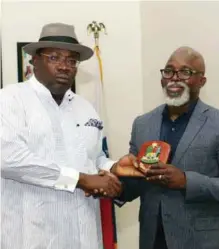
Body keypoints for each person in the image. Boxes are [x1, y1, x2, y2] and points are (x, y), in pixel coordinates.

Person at [0, 23, 141, 249]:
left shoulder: (86, 108)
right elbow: (10, 160)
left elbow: (93, 160)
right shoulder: (9, 100)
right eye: (54, 57)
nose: (65, 66)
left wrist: (114, 167)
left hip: (83, 234)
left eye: (71, 60)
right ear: (34, 60)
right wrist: (79, 180)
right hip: (30, 237)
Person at [115, 47, 219, 249]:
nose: (174, 78)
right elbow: (136, 181)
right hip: (152, 239)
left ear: (201, 81)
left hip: (200, 241)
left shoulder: (216, 123)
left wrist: (186, 181)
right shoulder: (142, 124)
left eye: (185, 72)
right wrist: (113, 183)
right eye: (169, 71)